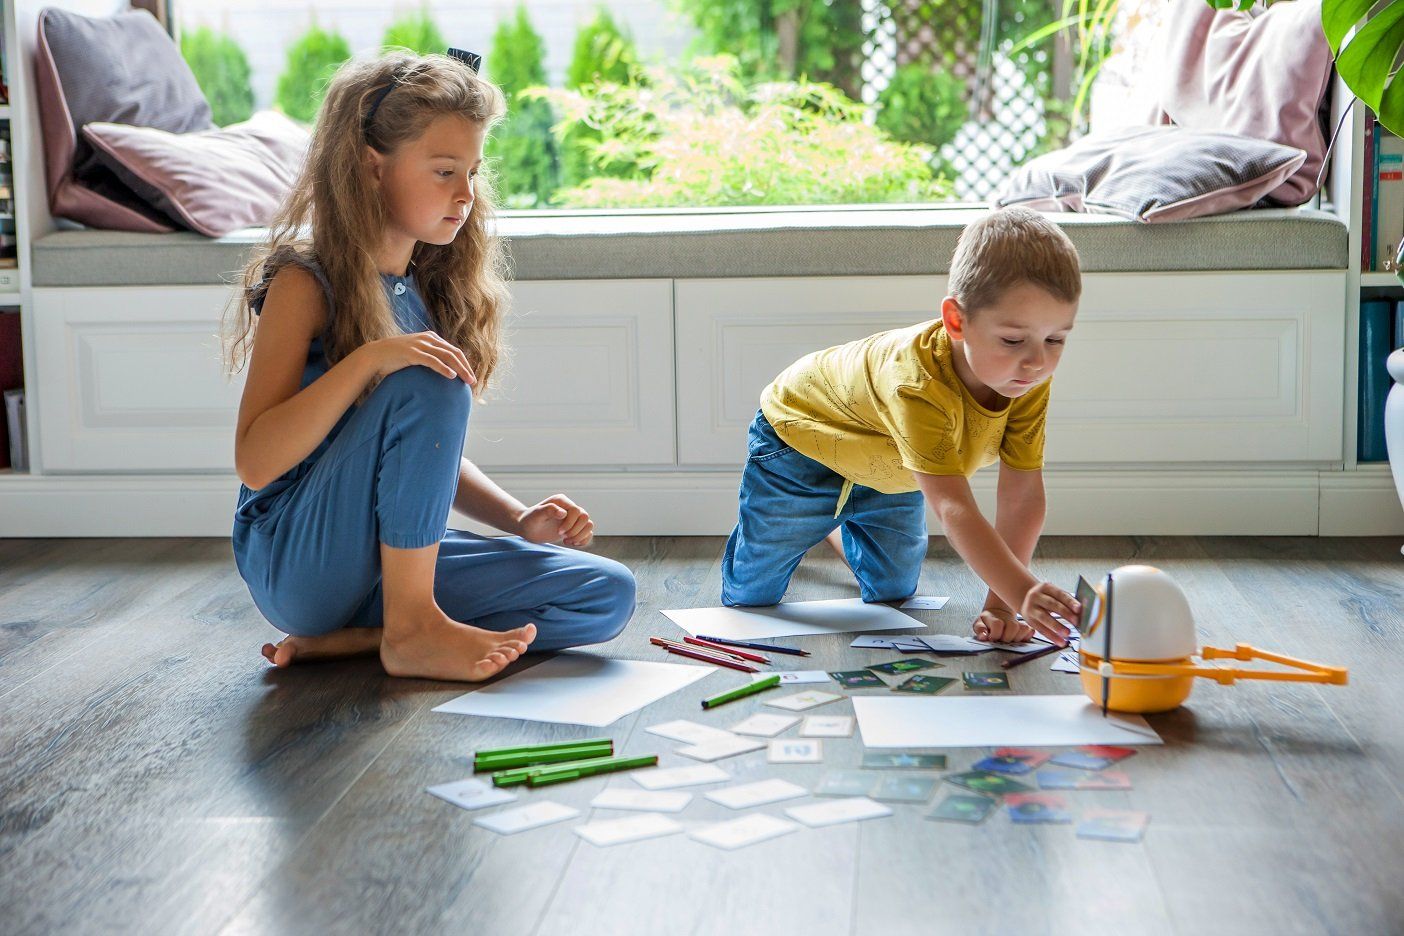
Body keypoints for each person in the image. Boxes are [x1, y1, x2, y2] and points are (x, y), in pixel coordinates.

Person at [224, 50, 635, 681]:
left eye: (472, 171)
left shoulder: (418, 291)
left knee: (607, 593)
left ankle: (367, 635)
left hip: (380, 569)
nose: (466, 194)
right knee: (426, 379)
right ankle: (413, 629)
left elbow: (420, 444)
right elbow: (255, 460)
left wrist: (519, 520)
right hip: (297, 562)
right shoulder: (304, 283)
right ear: (371, 167)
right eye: (444, 170)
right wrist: (370, 361)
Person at [721, 207, 1081, 644]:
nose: (1037, 360)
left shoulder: (1024, 379)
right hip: (802, 441)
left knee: (894, 590)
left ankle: (834, 524)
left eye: (1055, 339)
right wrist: (1023, 590)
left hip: (892, 466)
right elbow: (953, 507)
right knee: (750, 596)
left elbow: (1022, 495)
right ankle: (814, 520)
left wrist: (1003, 603)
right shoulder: (916, 382)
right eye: (1012, 339)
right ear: (957, 321)